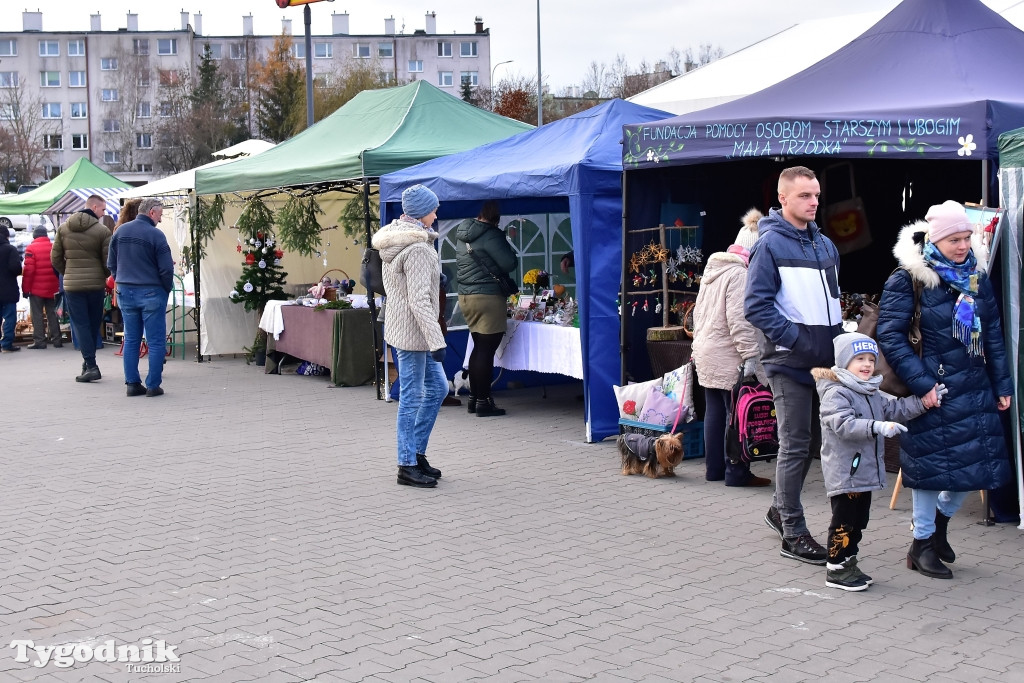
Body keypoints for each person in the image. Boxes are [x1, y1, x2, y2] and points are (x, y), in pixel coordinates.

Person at [878, 200, 1013, 580]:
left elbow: (994, 338)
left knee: (975, 469)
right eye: (954, 239)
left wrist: (1002, 384)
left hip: (975, 386)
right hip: (934, 390)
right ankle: (920, 544)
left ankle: (938, 528)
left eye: (967, 237)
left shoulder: (976, 277)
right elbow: (891, 336)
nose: (963, 246)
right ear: (936, 239)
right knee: (931, 470)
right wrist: (923, 386)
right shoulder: (909, 278)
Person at [745, 166, 843, 565]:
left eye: (816, 194)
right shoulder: (768, 245)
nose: (814, 201)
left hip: (825, 365)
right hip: (789, 364)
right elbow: (755, 306)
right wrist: (797, 341)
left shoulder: (825, 244)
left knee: (809, 448)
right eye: (805, 195)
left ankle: (779, 510)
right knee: (795, 446)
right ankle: (793, 532)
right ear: (783, 199)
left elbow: (831, 300)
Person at [813, 332, 933, 591]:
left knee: (859, 521)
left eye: (871, 359)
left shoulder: (870, 391)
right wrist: (876, 426)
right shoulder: (836, 392)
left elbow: (895, 410)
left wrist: (923, 403)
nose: (867, 364)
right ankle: (835, 568)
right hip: (847, 472)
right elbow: (843, 425)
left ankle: (849, 561)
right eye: (859, 359)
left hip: (864, 473)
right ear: (845, 362)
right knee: (844, 521)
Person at [372, 184, 448, 488]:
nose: (436, 212)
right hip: (414, 331)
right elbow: (418, 300)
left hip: (403, 327)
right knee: (413, 397)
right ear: (420, 213)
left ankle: (415, 453)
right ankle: (406, 463)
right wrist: (437, 341)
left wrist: (435, 277)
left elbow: (405, 286)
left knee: (438, 388)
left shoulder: (400, 237)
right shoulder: (416, 247)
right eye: (433, 208)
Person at [691, 209, 771, 487]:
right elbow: (741, 322)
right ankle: (736, 472)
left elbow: (698, 314)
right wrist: (750, 354)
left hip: (708, 348)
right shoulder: (739, 275)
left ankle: (715, 470)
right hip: (728, 351)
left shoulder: (714, 271)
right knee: (734, 412)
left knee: (714, 409)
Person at [107, 197, 174, 397]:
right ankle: (153, 385)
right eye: (160, 215)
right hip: (152, 291)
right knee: (155, 341)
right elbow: (166, 268)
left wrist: (121, 280)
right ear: (152, 212)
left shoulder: (120, 232)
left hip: (126, 291)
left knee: (132, 339)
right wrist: (165, 289)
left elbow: (111, 264)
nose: (160, 220)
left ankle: (132, 383)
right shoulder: (156, 235)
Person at [455, 200, 517, 417]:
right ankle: (483, 401)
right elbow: (509, 263)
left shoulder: (462, 234)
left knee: (478, 346)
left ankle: (474, 398)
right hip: (488, 296)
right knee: (486, 350)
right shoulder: (491, 234)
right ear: (495, 216)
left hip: (466, 296)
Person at [52, 194, 111, 381]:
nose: (104, 213)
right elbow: (108, 261)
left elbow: (55, 258)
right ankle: (91, 364)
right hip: (95, 285)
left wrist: (67, 272)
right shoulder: (102, 231)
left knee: (81, 325)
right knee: (93, 324)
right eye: (102, 209)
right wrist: (102, 275)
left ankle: (88, 364)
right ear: (93, 208)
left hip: (72, 286)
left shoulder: (63, 229)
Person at [22, 225, 62, 349]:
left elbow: (29, 271)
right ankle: (57, 340)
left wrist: (25, 289)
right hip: (52, 287)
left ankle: (40, 340)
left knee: (37, 314)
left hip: (36, 289)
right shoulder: (53, 247)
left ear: (34, 236)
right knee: (53, 313)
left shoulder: (31, 249)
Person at [0, 227, 22, 352]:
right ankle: (6, 344)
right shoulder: (10, 249)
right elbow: (16, 269)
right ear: (7, 236)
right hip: (8, 290)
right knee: (9, 317)